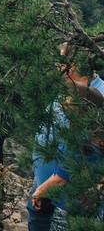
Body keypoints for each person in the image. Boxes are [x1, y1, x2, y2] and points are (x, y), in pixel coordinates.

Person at [27, 42, 104, 230]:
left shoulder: (96, 95)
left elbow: (85, 153)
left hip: (69, 201)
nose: (57, 64)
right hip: (45, 187)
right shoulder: (68, 90)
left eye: (61, 59)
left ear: (75, 64)